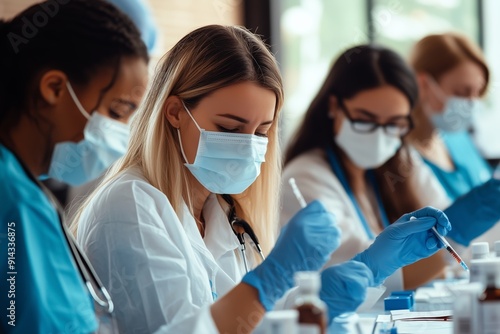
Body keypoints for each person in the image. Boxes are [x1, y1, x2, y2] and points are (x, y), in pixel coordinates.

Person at [72, 26, 451, 333]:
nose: (247, 146)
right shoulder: (131, 205)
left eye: (261, 132)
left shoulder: (221, 210)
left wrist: (364, 271)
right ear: (174, 112)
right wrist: (271, 279)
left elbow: (259, 322)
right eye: (229, 128)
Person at [281, 44, 500, 291]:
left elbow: (447, 223)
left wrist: (464, 224)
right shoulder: (304, 179)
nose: (380, 134)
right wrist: (457, 231)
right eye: (365, 120)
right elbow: (355, 276)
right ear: (334, 106)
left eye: (394, 123)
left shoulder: (400, 161)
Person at [0, 0, 148, 332]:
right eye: (117, 111)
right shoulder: (13, 202)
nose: (121, 133)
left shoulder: (28, 189)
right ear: (54, 88)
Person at [408, 33, 492, 200]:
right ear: (424, 84)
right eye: (462, 92)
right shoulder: (402, 161)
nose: (472, 103)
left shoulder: (457, 138)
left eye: (478, 93)